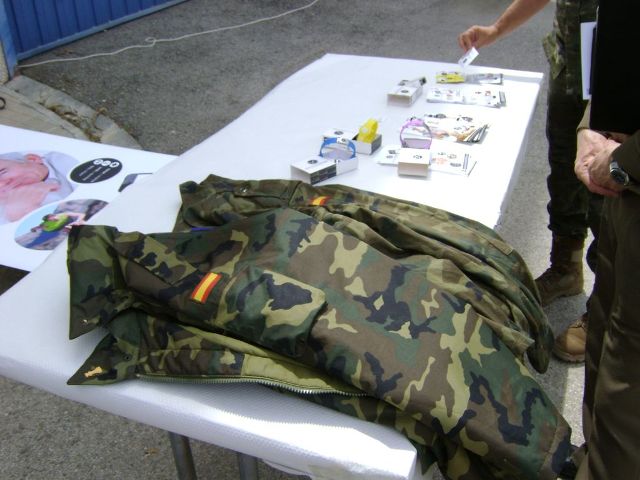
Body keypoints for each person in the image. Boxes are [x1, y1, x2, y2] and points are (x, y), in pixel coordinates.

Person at [458, 0, 599, 363]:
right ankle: (566, 268)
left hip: (620, 74)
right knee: (565, 170)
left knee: (609, 191)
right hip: (572, 66)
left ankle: (608, 313)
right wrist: (497, 29)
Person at [0, 151, 76, 224]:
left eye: (2, 172)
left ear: (33, 160)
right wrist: (19, 214)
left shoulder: (65, 158)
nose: (1, 184)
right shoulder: (5, 216)